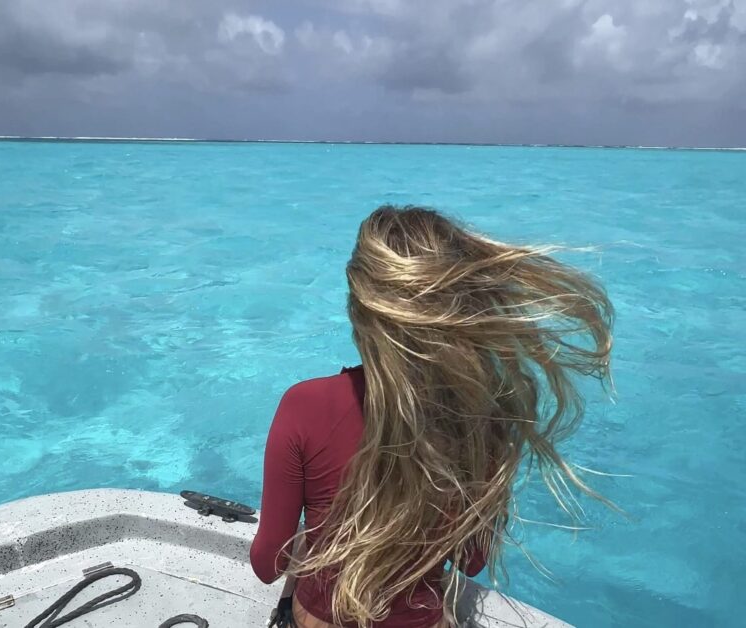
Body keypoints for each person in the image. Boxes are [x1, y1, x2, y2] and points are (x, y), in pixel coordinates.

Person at [250, 206, 613, 628]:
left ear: (359, 311)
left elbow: (267, 564)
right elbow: (471, 560)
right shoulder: (484, 421)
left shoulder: (305, 405)